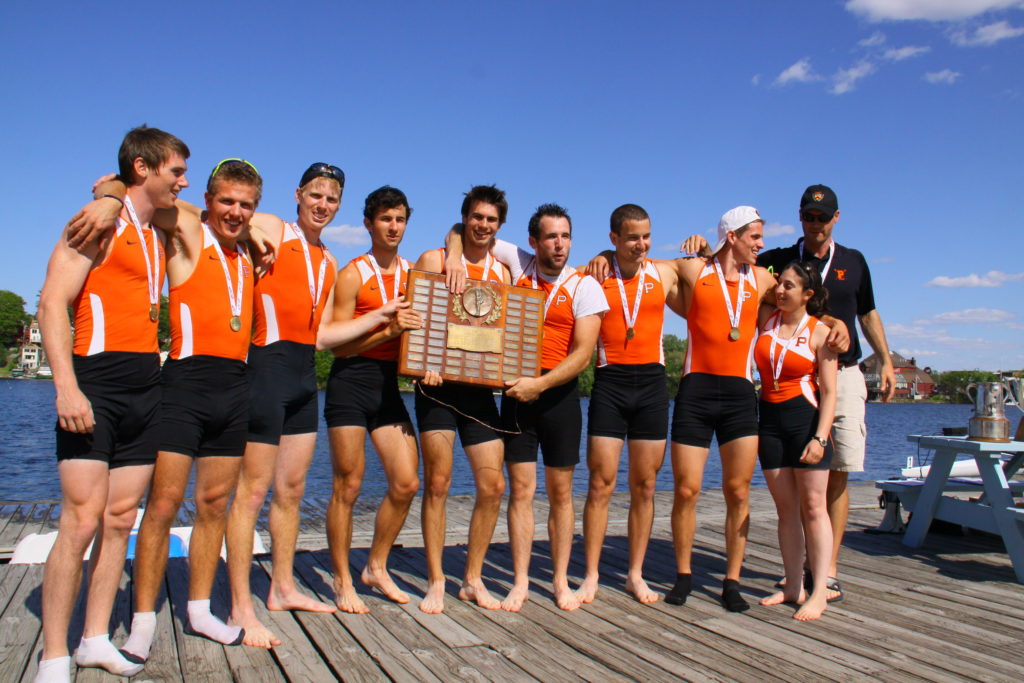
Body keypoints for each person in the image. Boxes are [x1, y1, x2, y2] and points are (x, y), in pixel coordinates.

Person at [683, 184, 892, 601]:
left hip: (838, 372)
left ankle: (826, 572)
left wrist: (883, 358)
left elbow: (867, 313)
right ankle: (796, 577)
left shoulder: (853, 261)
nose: (815, 223)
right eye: (808, 216)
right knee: (789, 498)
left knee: (836, 473)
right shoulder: (777, 261)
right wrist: (703, 249)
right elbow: (736, 276)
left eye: (823, 217)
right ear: (801, 217)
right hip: (782, 389)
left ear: (836, 218)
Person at [35, 125, 189, 682]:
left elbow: (190, 213)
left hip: (146, 388)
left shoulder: (156, 229)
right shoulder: (96, 224)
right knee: (79, 522)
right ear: (144, 168)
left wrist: (112, 188)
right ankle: (54, 655)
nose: (183, 181)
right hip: (94, 384)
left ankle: (94, 639)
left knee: (120, 519)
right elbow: (52, 304)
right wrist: (66, 387)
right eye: (176, 171)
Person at [224, 165, 401, 645]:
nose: (323, 205)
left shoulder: (327, 260)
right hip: (264, 371)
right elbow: (218, 215)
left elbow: (324, 336)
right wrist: (113, 194)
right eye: (316, 195)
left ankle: (282, 587)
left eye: (332, 199)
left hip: (304, 377)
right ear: (299, 195)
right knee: (251, 494)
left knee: (292, 489)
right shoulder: (272, 228)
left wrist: (379, 318)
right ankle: (242, 605)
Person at [449, 204, 606, 611]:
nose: (560, 244)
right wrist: (451, 253)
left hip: (558, 396)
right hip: (518, 394)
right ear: (534, 242)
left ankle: (558, 581)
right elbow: (463, 231)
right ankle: (519, 581)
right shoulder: (519, 263)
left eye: (566, 236)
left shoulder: (584, 285)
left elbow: (583, 353)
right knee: (520, 491)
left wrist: (542, 384)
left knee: (561, 493)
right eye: (551, 237)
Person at [665, 207, 778, 611]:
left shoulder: (764, 279)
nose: (761, 245)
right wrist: (606, 257)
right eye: (755, 237)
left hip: (739, 394)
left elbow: (804, 295)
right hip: (695, 390)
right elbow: (645, 265)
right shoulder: (696, 272)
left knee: (738, 491)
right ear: (733, 236)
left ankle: (732, 580)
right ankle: (683, 575)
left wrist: (831, 319)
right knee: (686, 489)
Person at [321, 185, 423, 613]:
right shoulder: (353, 273)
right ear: (369, 224)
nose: (393, 226)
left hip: (388, 384)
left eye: (399, 218)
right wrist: (387, 332)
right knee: (349, 485)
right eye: (385, 219)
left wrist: (430, 364)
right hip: (350, 382)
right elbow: (337, 348)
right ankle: (343, 578)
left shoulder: (417, 273)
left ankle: (376, 566)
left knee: (406, 482)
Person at [576, 204, 682, 606]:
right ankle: (590, 574)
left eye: (647, 236)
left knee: (646, 485)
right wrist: (600, 260)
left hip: (653, 385)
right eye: (633, 237)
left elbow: (708, 266)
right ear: (614, 239)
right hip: (611, 383)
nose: (642, 244)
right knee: (601, 483)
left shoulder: (664, 271)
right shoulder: (594, 275)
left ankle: (635, 574)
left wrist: (704, 244)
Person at [413, 185, 510, 613]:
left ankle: (472, 578)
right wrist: (423, 363)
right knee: (437, 483)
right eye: (476, 217)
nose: (483, 225)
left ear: (499, 225)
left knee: (493, 486)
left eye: (490, 220)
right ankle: (436, 578)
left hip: (480, 390)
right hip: (436, 387)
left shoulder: (502, 273)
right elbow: (416, 319)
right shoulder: (434, 260)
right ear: (464, 218)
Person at [753, 261, 837, 620]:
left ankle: (819, 590)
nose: (781, 290)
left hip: (806, 423)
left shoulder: (820, 332)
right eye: (780, 285)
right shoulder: (766, 320)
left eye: (789, 286)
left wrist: (820, 437)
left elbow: (831, 393)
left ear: (808, 295)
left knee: (814, 508)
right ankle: (792, 585)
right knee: (786, 510)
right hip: (769, 423)